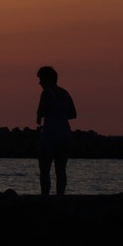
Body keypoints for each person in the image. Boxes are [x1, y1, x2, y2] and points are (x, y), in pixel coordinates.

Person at [36, 65, 77, 196]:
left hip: (50, 135)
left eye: (41, 79)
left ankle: (45, 197)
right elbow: (73, 114)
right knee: (61, 170)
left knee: (44, 169)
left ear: (47, 79)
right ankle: (60, 196)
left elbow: (40, 113)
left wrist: (42, 117)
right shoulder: (65, 93)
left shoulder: (47, 92)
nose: (39, 83)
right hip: (65, 134)